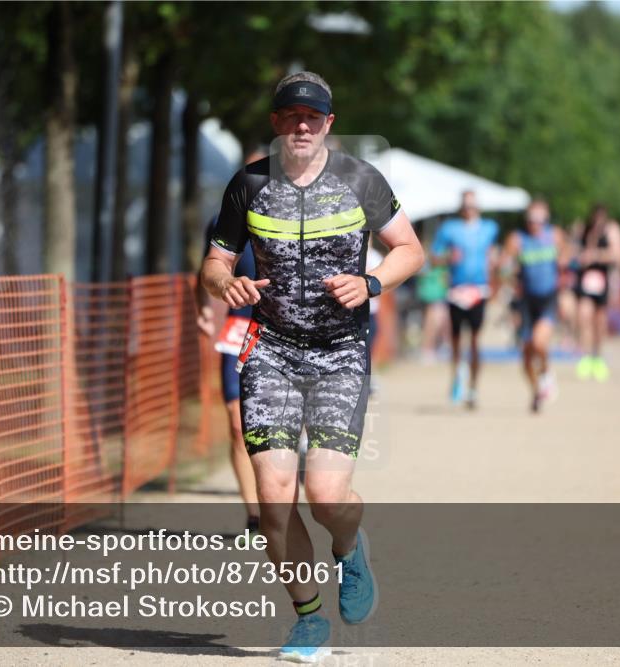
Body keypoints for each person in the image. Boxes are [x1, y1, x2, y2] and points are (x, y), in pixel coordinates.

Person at [200, 71, 424, 663]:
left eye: (313, 116)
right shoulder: (248, 184)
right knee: (274, 498)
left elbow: (410, 249)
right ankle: (308, 618)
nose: (302, 125)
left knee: (325, 494)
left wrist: (372, 282)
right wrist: (226, 284)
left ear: (329, 123)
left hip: (339, 351)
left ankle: (349, 549)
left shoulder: (361, 179)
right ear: (277, 122)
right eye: (292, 115)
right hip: (270, 350)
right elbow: (214, 264)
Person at [195, 153, 267, 541]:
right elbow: (208, 269)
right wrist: (204, 311)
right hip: (238, 329)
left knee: (279, 429)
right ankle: (255, 516)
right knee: (238, 426)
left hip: (285, 330)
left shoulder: (300, 219)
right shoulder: (224, 219)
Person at [430, 191, 498, 408]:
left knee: (476, 340)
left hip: (479, 290)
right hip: (457, 291)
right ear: (461, 208)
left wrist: (496, 275)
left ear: (478, 207)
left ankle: (474, 388)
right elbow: (434, 257)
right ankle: (457, 377)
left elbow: (494, 256)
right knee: (456, 340)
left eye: (472, 206)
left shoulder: (490, 228)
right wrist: (448, 257)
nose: (469, 210)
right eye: (466, 206)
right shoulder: (449, 229)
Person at [503, 198, 566, 413]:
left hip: (548, 297)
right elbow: (503, 267)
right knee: (526, 356)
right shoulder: (517, 239)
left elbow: (567, 260)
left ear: (546, 219)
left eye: (540, 219)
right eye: (531, 219)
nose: (535, 223)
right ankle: (536, 391)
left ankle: (547, 373)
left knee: (540, 343)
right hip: (526, 301)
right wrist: (507, 273)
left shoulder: (554, 235)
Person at [574, 204, 620, 381]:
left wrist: (596, 255)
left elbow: (618, 255)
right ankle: (586, 356)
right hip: (586, 281)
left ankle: (598, 357)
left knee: (599, 321)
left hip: (603, 281)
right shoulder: (586, 230)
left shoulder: (612, 230)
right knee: (584, 316)